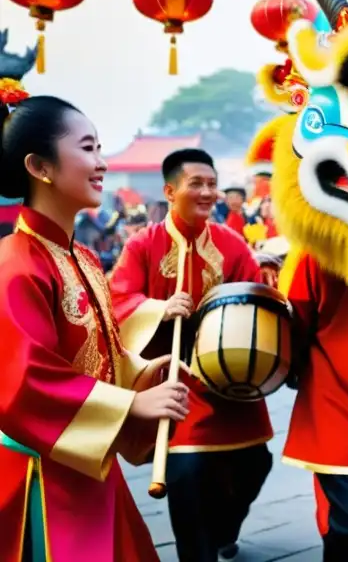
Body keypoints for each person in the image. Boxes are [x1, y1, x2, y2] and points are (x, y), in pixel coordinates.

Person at [0, 83, 190, 561]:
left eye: (101, 148)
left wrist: (146, 375)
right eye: (87, 148)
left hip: (91, 464)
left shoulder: (82, 256)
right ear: (39, 167)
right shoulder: (14, 266)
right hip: (38, 477)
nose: (102, 162)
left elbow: (98, 356)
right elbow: (22, 382)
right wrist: (131, 408)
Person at [109, 148, 273, 562]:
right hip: (177, 382)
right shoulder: (144, 244)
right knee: (187, 475)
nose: (207, 192)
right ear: (169, 190)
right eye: (196, 184)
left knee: (255, 464)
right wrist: (157, 308)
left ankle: (223, 531)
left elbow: (254, 293)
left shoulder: (231, 244)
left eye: (212, 184)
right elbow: (117, 299)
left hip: (232, 381)